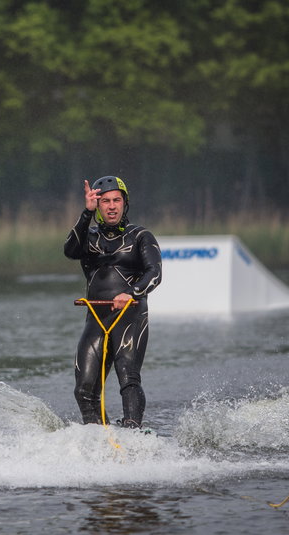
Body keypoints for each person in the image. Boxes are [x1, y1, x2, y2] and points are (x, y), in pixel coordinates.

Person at [64, 175, 162, 428]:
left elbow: (155, 273)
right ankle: (101, 437)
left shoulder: (141, 236)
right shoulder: (89, 238)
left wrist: (131, 292)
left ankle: (133, 433)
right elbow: (70, 251)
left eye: (116, 200)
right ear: (98, 205)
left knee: (128, 379)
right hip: (96, 319)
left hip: (130, 316)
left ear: (124, 203)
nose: (111, 206)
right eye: (105, 201)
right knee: (83, 390)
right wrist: (86, 213)